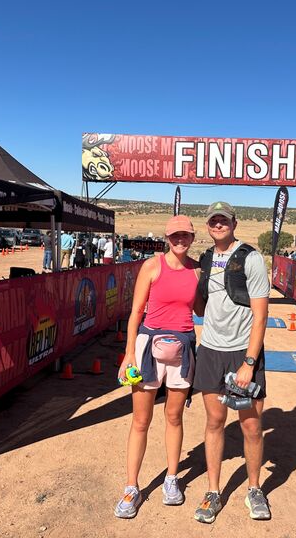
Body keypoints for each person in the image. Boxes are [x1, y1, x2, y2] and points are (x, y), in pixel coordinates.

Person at [114, 215, 201, 519]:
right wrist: (129, 354)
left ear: (192, 238)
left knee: (174, 417)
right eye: (175, 235)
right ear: (167, 237)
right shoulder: (152, 266)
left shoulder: (196, 271)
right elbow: (136, 312)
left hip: (183, 349)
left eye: (186, 236)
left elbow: (201, 308)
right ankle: (131, 487)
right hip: (148, 348)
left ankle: (172, 479)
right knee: (140, 420)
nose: (181, 240)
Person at [192, 201, 272, 523]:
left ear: (234, 223)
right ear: (208, 227)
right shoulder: (206, 259)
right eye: (213, 220)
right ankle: (213, 491)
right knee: (214, 421)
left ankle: (254, 489)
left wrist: (249, 362)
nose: (218, 224)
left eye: (223, 219)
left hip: (242, 352)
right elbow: (200, 309)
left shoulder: (250, 257)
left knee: (250, 425)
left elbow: (261, 314)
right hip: (211, 349)